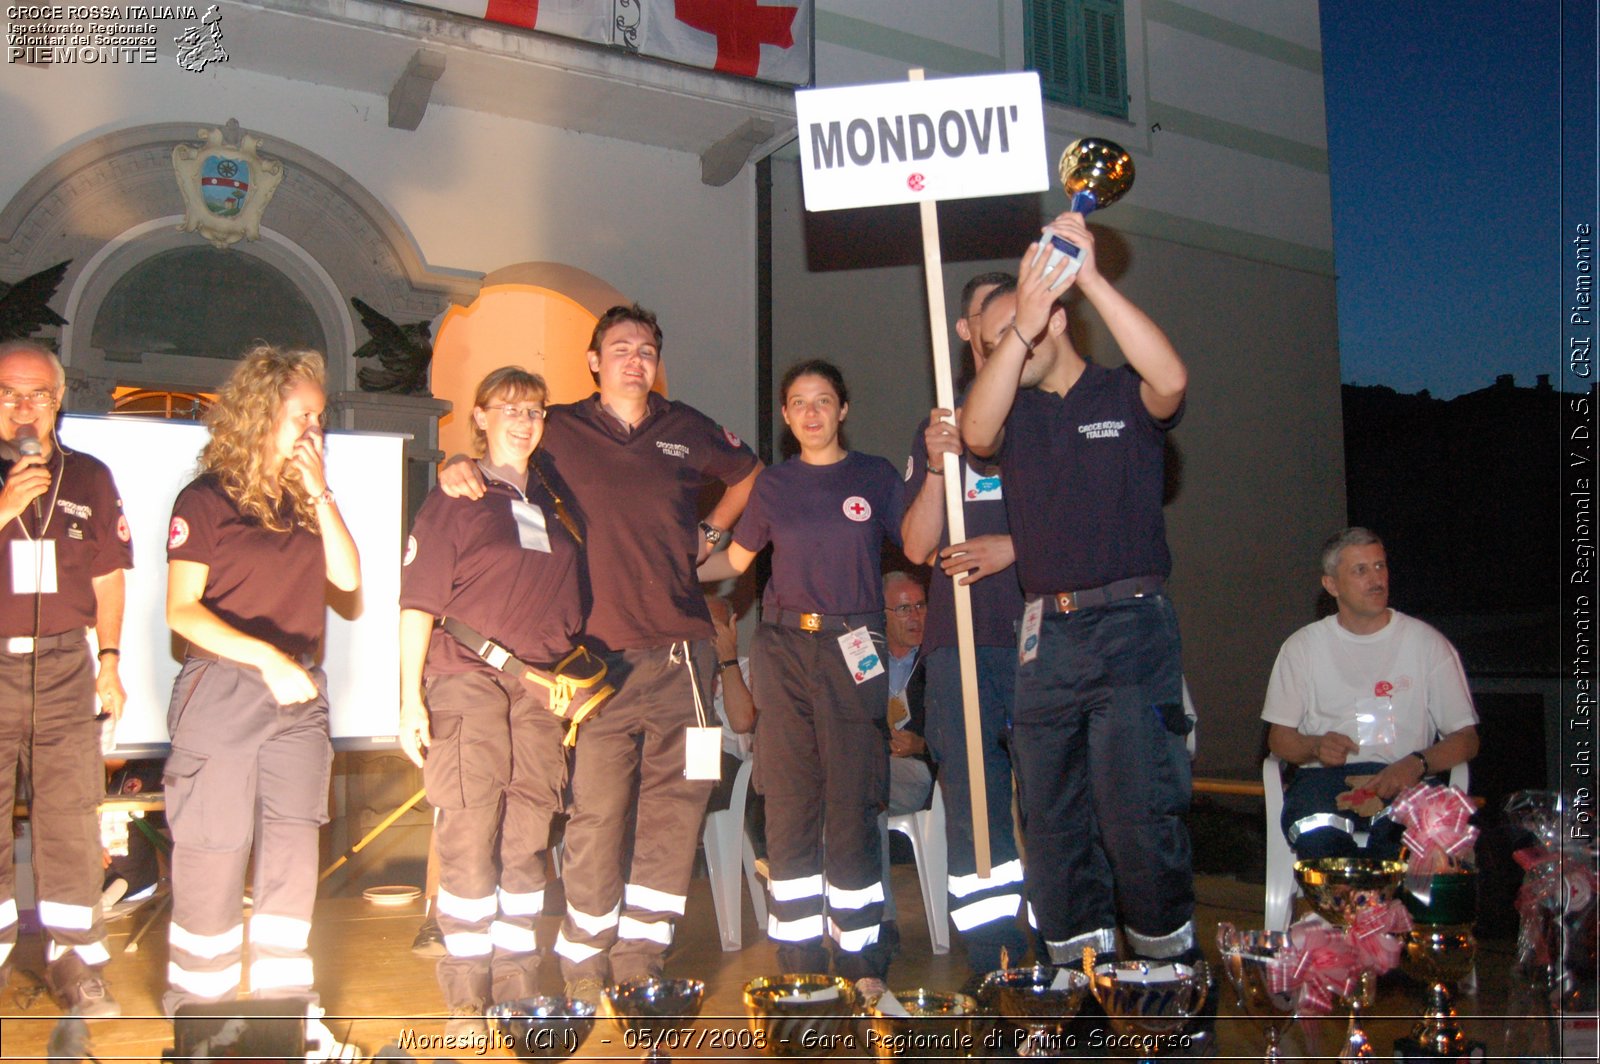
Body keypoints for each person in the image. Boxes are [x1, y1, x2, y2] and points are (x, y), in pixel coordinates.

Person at [438, 304, 760, 1002]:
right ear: (593, 361)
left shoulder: (688, 428)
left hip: (684, 656)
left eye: (647, 349)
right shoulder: (561, 429)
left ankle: (641, 959)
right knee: (595, 812)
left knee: (676, 810)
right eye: (620, 348)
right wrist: (456, 463)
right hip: (597, 661)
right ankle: (584, 961)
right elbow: (503, 449)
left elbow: (750, 473)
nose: (634, 360)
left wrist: (711, 530)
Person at [960, 212, 1199, 969]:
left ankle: (1165, 986)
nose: (1008, 347)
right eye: (993, 342)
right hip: (1046, 639)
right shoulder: (1013, 410)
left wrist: (1090, 275)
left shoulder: (1117, 395)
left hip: (1130, 628)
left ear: (1061, 317)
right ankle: (1077, 985)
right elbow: (974, 433)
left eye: (1025, 328)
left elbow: (1171, 381)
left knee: (1136, 816)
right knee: (1053, 821)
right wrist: (1016, 332)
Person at [161, 345, 360, 1053]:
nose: (315, 430)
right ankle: (203, 1026)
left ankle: (285, 1024)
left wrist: (322, 493)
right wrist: (265, 658)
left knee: (291, 859)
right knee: (212, 854)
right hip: (224, 685)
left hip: (299, 695)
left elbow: (346, 579)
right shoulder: (205, 499)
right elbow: (181, 612)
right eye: (300, 416)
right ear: (258, 415)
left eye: (320, 418)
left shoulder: (306, 503)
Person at [698, 359, 905, 996]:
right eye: (797, 402)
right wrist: (665, 565)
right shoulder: (774, 486)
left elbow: (920, 544)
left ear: (843, 409)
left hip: (856, 643)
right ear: (786, 417)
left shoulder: (875, 476)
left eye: (823, 400)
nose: (811, 412)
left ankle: (862, 961)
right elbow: (733, 560)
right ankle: (800, 965)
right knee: (787, 799)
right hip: (785, 644)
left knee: (851, 797)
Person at [396, 368, 583, 1037]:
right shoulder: (457, 493)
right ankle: (466, 1000)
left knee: (528, 844)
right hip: (466, 679)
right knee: (471, 839)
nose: (521, 419)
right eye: (506, 407)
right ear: (478, 417)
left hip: (539, 692)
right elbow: (417, 601)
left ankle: (518, 985)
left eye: (533, 408)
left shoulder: (557, 498)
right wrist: (407, 699)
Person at [902, 271, 1030, 976]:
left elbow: (1099, 530)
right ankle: (997, 964)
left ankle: (1061, 961)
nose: (1007, 327)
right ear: (967, 331)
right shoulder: (940, 424)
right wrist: (933, 467)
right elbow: (917, 547)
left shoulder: (1043, 412)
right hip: (960, 649)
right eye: (993, 316)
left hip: (1045, 640)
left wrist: (1015, 547)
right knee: (973, 809)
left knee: (1051, 799)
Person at [0, 339, 131, 1016]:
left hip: (63, 663)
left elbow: (109, 576)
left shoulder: (89, 476)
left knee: (70, 817)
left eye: (39, 394)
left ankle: (73, 960)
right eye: (10, 394)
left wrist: (109, 660)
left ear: (58, 401)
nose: (26, 408)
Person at [1262, 527, 1479, 858]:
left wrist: (1417, 763)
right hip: (1325, 779)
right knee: (1321, 844)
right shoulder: (1303, 647)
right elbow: (1279, 739)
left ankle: (1392, 906)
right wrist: (1315, 746)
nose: (1376, 579)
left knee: (1405, 847)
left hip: (1406, 777)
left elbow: (1466, 738)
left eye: (1380, 566)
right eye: (1360, 570)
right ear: (1331, 585)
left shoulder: (1427, 644)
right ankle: (1347, 903)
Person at [878, 571, 932, 941]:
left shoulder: (939, 659)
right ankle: (876, 919)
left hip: (919, 770)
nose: (915, 616)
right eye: (903, 608)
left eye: (920, 606)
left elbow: (964, 725)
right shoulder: (864, 660)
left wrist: (922, 745)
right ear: (882, 614)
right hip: (872, 766)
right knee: (854, 794)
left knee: (859, 789)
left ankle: (878, 921)